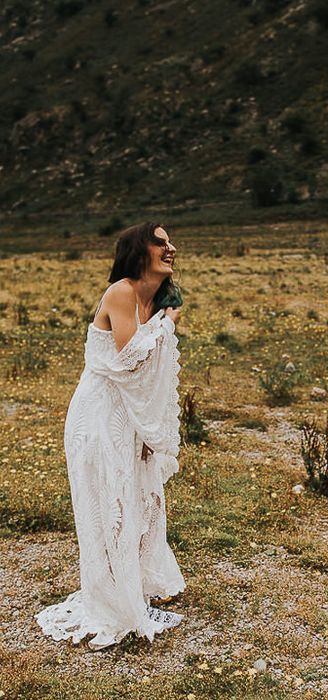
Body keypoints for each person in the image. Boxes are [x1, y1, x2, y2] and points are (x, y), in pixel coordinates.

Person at [36, 222, 186, 650]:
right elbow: (126, 361)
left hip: (127, 416)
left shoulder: (154, 299)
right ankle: (113, 603)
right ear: (139, 250)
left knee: (138, 497)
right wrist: (166, 326)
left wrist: (162, 319)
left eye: (170, 241)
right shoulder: (121, 292)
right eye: (161, 241)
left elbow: (145, 368)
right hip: (98, 416)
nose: (170, 247)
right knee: (110, 503)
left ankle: (130, 590)